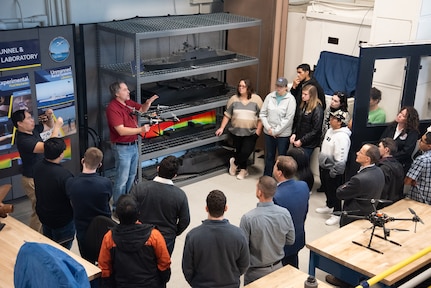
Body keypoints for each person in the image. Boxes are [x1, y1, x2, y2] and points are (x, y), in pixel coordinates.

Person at [106, 81, 158, 211]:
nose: (128, 91)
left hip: (133, 145)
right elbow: (121, 131)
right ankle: (117, 207)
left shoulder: (128, 103)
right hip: (122, 147)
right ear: (117, 93)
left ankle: (127, 203)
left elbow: (141, 110)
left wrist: (147, 103)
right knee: (121, 180)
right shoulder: (113, 108)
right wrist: (141, 130)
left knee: (131, 176)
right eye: (125, 90)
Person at [98, 194, 171, 288]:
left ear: (117, 215)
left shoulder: (109, 238)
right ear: (138, 213)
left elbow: (104, 268)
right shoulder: (154, 236)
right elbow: (164, 263)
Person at [182, 190, 249, 288]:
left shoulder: (193, 236)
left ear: (206, 208)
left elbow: (187, 268)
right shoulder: (239, 235)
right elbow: (244, 264)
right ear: (226, 208)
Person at [11, 109, 63, 232]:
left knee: (44, 209)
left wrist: (50, 117)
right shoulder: (23, 140)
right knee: (39, 211)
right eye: (28, 118)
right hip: (31, 180)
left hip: (39, 177)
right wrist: (57, 127)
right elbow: (49, 147)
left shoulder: (32, 130)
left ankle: (42, 235)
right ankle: (34, 236)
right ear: (20, 123)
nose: (32, 120)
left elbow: (48, 126)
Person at [240, 176, 295, 285]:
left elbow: (243, 250)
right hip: (279, 268)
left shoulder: (248, 218)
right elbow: (290, 240)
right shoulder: (285, 213)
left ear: (259, 193)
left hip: (255, 273)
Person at [131, 155, 190, 255]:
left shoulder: (140, 188)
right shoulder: (180, 195)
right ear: (175, 175)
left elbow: (129, 208)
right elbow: (185, 220)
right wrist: (173, 232)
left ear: (158, 168)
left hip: (142, 235)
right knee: (162, 266)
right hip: (166, 239)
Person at [66, 147, 112, 259]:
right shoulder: (106, 183)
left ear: (83, 161)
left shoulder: (71, 183)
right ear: (100, 164)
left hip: (83, 229)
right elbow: (108, 199)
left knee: (87, 259)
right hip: (104, 227)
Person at [215, 79, 263, 180]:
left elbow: (261, 117)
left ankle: (234, 163)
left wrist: (258, 131)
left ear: (248, 88)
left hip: (251, 132)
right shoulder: (233, 99)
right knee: (239, 151)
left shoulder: (257, 99)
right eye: (239, 86)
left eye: (243, 86)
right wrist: (222, 128)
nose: (240, 88)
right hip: (236, 131)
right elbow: (227, 115)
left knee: (246, 151)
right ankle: (243, 170)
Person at [33, 137, 75, 249]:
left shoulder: (37, 167)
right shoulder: (64, 175)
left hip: (44, 216)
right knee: (63, 251)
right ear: (61, 154)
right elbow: (74, 199)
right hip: (62, 221)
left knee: (50, 246)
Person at [316, 110, 351, 226]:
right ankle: (329, 205)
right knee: (326, 188)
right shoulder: (330, 131)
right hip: (324, 166)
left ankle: (336, 213)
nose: (330, 120)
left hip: (333, 170)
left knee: (335, 191)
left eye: (333, 118)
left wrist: (335, 171)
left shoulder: (342, 137)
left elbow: (341, 158)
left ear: (340, 122)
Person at [272, 156, 309, 268]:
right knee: (293, 266)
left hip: (281, 245)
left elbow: (273, 226)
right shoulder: (304, 186)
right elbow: (305, 212)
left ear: (279, 173)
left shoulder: (275, 196)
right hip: (298, 237)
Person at [336, 144, 384, 227]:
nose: (357, 153)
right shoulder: (379, 171)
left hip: (353, 216)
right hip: (368, 213)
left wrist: (346, 184)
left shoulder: (359, 179)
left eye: (361, 152)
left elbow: (340, 193)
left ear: (367, 159)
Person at [259, 77, 296, 176]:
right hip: (269, 132)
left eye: (281, 86)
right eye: (277, 86)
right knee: (269, 156)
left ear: (286, 88)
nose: (278, 88)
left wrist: (276, 131)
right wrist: (269, 128)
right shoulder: (269, 97)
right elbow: (262, 114)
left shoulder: (291, 100)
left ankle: (281, 178)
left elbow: (288, 119)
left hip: (283, 135)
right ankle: (267, 176)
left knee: (281, 158)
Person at [318, 91, 350, 193]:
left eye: (335, 101)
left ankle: (331, 203)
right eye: (332, 99)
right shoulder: (329, 111)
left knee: (332, 184)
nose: (332, 102)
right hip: (326, 142)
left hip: (333, 158)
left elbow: (340, 158)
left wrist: (335, 171)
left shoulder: (344, 116)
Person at [380, 106, 419, 174]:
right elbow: (382, 140)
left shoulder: (412, 132)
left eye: (403, 115)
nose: (399, 115)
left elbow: (407, 151)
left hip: (400, 164)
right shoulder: (391, 126)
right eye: (400, 113)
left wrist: (390, 157)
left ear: (409, 120)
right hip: (384, 160)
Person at [290, 84, 324, 159]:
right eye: (302, 93)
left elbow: (316, 130)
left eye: (305, 94)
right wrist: (294, 133)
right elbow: (298, 121)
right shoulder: (304, 105)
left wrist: (302, 141)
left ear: (312, 95)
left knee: (302, 166)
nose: (302, 96)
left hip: (308, 144)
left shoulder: (317, 109)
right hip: (298, 139)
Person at [404, 130, 431, 205]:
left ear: (429, 146)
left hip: (420, 199)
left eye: (422, 141)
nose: (419, 142)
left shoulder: (422, 159)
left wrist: (412, 181)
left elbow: (407, 181)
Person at [377, 138, 404, 206]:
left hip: (383, 203)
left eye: (379, 146)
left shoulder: (383, 168)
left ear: (386, 150)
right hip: (396, 201)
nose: (377, 149)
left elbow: (382, 189)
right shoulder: (399, 165)